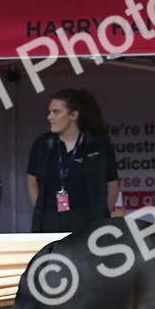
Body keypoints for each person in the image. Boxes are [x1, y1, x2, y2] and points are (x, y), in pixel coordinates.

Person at [26, 89, 120, 233]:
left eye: (56, 112)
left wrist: (101, 215)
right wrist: (42, 209)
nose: (49, 117)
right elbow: (32, 180)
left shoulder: (97, 144)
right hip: (50, 218)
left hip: (87, 218)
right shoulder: (43, 144)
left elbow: (112, 184)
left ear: (73, 115)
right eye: (50, 112)